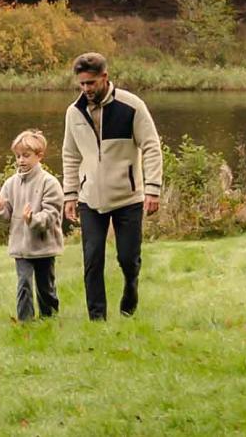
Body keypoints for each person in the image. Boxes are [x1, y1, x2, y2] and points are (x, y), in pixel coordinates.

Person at [61, 52, 163, 320]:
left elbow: (151, 147)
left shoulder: (131, 106)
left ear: (105, 77)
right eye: (82, 84)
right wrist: (70, 195)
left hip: (128, 198)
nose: (86, 89)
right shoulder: (74, 113)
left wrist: (153, 189)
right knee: (92, 259)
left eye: (91, 83)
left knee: (128, 259)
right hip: (90, 198)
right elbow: (70, 155)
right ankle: (97, 319)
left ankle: (131, 287)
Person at [0, 129, 64, 321]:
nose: (21, 160)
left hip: (44, 247)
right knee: (24, 284)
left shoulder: (50, 183)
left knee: (45, 286)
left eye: (26, 156)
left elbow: (51, 216)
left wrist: (32, 220)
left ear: (39, 156)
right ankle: (25, 322)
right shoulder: (10, 183)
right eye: (18, 156)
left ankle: (49, 318)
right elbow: (5, 217)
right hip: (21, 248)